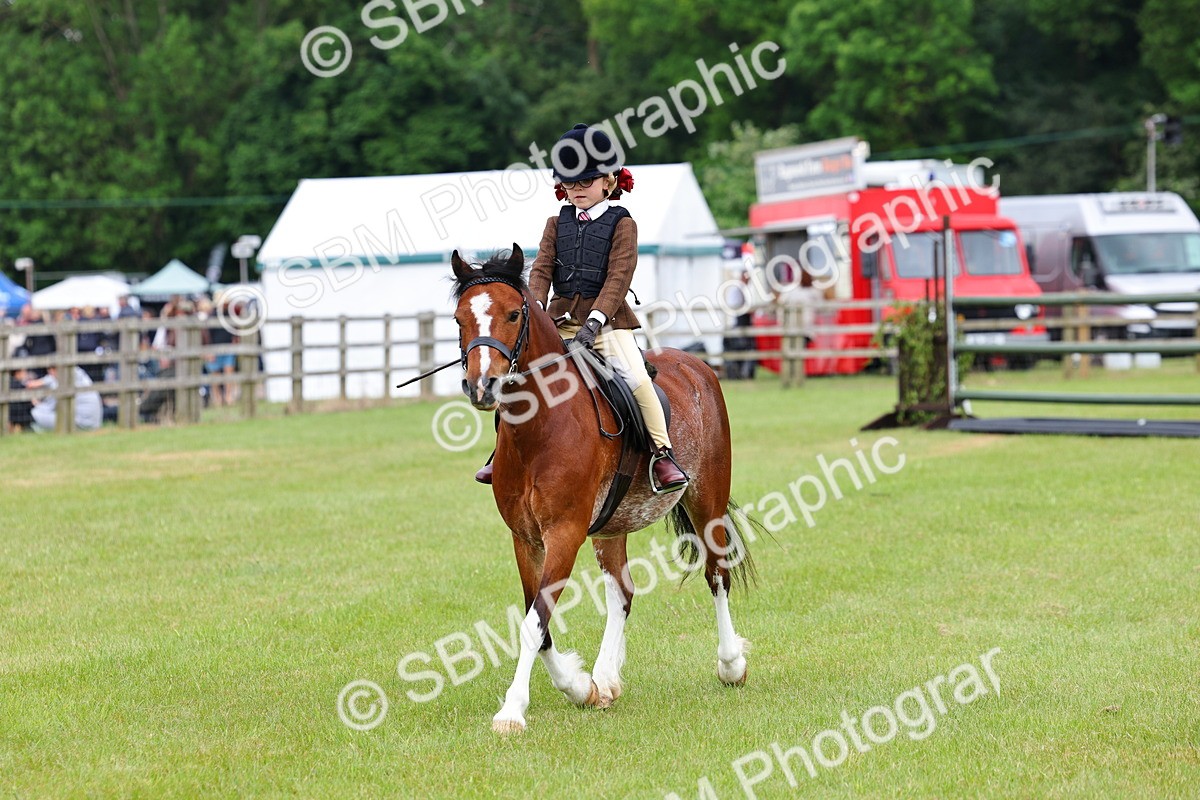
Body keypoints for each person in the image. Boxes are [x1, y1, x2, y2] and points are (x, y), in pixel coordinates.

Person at [475, 122, 688, 493]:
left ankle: (662, 454)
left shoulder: (623, 224)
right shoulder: (556, 223)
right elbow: (541, 269)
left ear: (608, 181)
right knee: (516, 378)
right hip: (557, 321)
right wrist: (534, 308)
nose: (577, 190)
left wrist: (594, 321)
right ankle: (501, 452)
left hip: (607, 325)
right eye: (571, 183)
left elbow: (619, 278)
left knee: (637, 380)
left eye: (585, 182)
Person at [23, 366, 103, 432]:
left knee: (35, 414)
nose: (50, 375)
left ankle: (32, 428)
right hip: (94, 423)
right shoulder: (78, 373)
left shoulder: (62, 383)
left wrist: (34, 402)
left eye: (50, 372)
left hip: (80, 423)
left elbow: (49, 407)